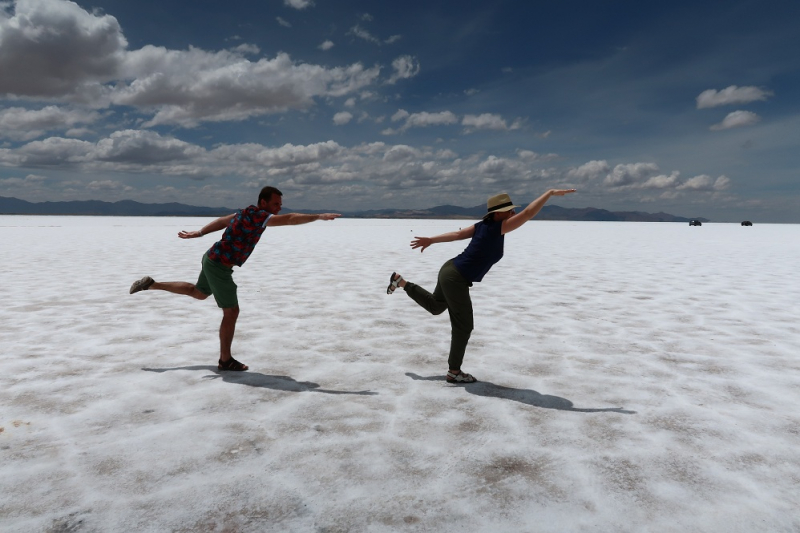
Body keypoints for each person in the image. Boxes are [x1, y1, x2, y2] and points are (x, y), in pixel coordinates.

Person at [129, 186, 341, 371]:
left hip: (212, 258)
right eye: (276, 204)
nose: (279, 208)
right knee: (231, 311)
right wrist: (318, 216)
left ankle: (152, 284)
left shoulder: (245, 212)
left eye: (280, 204)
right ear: (263, 202)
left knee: (199, 293)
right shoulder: (259, 216)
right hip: (219, 265)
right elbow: (290, 219)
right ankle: (225, 360)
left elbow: (223, 221)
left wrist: (200, 233)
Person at [387, 189, 576, 383]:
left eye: (512, 210)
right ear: (497, 213)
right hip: (455, 277)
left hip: (450, 270)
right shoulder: (496, 227)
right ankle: (454, 371)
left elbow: (457, 234)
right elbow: (527, 214)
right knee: (464, 326)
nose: (512, 213)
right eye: (508, 210)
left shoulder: (483, 226)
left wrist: (432, 240)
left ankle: (400, 282)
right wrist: (549, 193)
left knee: (436, 306)